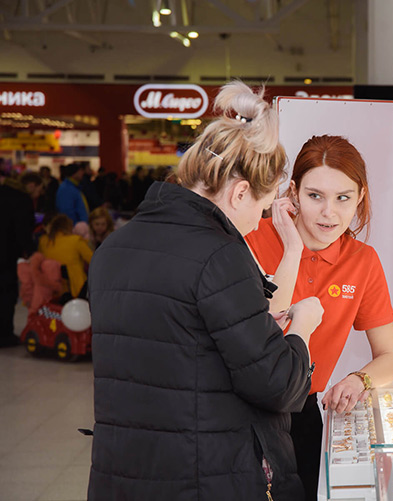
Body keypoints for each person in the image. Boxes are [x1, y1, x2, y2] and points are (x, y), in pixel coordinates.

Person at [86, 81, 324, 501]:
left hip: (122, 472)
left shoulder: (114, 249)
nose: (257, 222)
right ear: (240, 192)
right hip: (205, 475)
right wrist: (302, 329)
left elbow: (178, 348)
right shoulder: (220, 255)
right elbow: (277, 384)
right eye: (262, 208)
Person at [245, 135, 393, 500]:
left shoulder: (362, 261)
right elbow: (265, 330)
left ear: (360, 196)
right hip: (241, 412)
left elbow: (390, 358)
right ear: (294, 193)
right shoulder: (253, 237)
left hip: (304, 411)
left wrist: (359, 379)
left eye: (343, 198)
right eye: (315, 196)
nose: (328, 212)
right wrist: (292, 249)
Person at [0, 171, 39, 347]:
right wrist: (31, 252)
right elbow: (23, 230)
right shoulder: (21, 200)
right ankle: (4, 334)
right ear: (31, 185)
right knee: (7, 293)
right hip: (7, 254)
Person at [38, 214, 93, 298]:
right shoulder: (76, 241)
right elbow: (93, 260)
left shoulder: (43, 241)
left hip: (51, 289)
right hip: (76, 290)